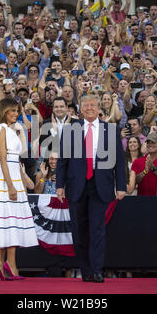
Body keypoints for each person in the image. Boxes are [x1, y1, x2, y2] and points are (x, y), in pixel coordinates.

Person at [56, 94, 126, 283]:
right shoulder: (70, 129)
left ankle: (97, 270)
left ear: (99, 108)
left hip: (100, 186)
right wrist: (59, 186)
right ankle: (85, 270)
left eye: (92, 105)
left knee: (97, 230)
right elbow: (62, 160)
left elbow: (119, 162)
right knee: (79, 232)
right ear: (80, 108)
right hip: (76, 186)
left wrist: (121, 186)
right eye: (85, 105)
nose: (89, 108)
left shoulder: (110, 130)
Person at [0, 98, 38, 281]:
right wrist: (10, 185)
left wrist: (22, 182)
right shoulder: (0, 128)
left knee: (10, 220)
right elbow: (2, 158)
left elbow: (19, 156)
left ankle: (0, 262)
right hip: (5, 178)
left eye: (17, 110)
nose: (15, 114)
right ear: (3, 111)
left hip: (15, 176)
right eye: (12, 110)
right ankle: (9, 264)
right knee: (9, 220)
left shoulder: (11, 130)